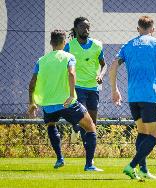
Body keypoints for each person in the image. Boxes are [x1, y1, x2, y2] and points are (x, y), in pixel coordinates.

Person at [109, 16, 156, 180]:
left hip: (133, 97)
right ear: (153, 29)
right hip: (150, 96)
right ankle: (131, 166)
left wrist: (114, 89)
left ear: (138, 29)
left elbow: (114, 65)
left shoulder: (128, 45)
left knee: (143, 132)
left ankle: (143, 170)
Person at [28, 29, 103, 171]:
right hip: (67, 102)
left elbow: (32, 83)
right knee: (91, 127)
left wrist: (31, 102)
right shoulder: (69, 56)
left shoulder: (41, 60)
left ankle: (60, 159)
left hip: (49, 104)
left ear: (51, 43)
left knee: (51, 125)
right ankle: (89, 165)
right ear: (64, 42)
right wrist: (70, 94)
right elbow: (71, 73)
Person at [64, 17, 107, 145]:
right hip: (77, 87)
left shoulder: (97, 45)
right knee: (84, 117)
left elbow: (104, 65)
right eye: (83, 27)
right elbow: (62, 65)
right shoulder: (69, 46)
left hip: (93, 88)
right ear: (76, 28)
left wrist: (101, 75)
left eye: (88, 27)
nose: (86, 29)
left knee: (92, 122)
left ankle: (79, 132)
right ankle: (87, 147)